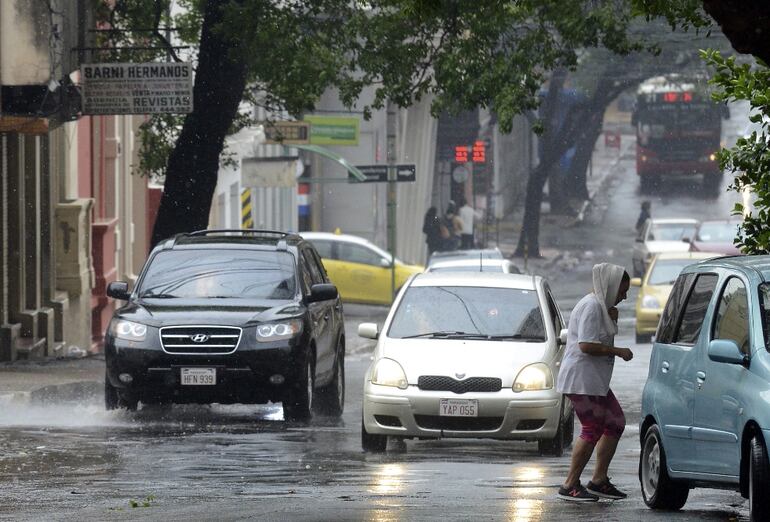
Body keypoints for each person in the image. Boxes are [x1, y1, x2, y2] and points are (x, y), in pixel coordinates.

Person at [556, 263, 634, 502]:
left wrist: (612, 321)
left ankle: (599, 480)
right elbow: (586, 345)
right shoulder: (591, 306)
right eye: (622, 291)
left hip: (593, 382)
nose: (624, 296)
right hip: (581, 380)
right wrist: (617, 350)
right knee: (592, 428)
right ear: (610, 287)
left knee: (615, 422)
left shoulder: (603, 307)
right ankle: (570, 484)